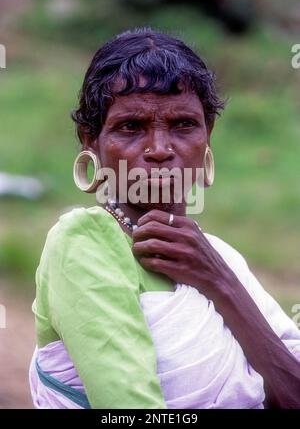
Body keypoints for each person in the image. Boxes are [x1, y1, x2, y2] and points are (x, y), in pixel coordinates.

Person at [29, 27, 300, 409]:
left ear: (209, 134)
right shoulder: (83, 242)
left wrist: (219, 280)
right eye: (131, 127)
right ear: (90, 139)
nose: (159, 149)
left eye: (183, 124)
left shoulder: (221, 257)